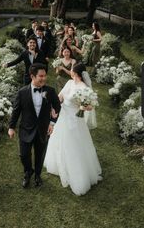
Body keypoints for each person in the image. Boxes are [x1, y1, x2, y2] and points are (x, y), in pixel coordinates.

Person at [44, 63, 102, 195]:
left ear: (75, 72)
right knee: (59, 141)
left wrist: (84, 106)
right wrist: (53, 108)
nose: (70, 71)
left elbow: (90, 107)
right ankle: (59, 166)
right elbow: (60, 97)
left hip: (75, 120)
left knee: (73, 145)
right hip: (63, 116)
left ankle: (77, 173)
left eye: (71, 70)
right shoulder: (69, 83)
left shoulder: (84, 88)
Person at [8, 63, 61, 188]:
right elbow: (16, 111)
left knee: (40, 154)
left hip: (43, 129)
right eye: (40, 76)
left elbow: (57, 106)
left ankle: (37, 175)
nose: (44, 78)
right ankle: (28, 171)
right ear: (32, 76)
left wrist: (52, 123)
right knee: (24, 154)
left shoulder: (50, 91)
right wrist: (11, 127)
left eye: (45, 76)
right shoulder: (22, 92)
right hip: (26, 128)